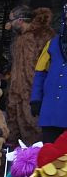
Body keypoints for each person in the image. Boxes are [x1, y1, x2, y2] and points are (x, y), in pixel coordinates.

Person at [5, 7, 53, 145]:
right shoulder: (18, 40)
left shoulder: (42, 35)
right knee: (17, 136)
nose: (9, 24)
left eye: (11, 20)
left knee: (36, 133)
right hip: (17, 95)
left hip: (35, 92)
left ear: (20, 20)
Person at [31, 9, 67, 143]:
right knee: (49, 156)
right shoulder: (52, 44)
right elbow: (40, 74)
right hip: (51, 109)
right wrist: (35, 99)